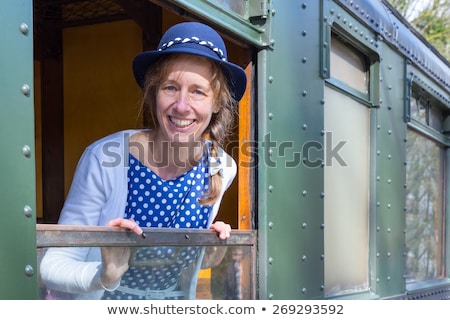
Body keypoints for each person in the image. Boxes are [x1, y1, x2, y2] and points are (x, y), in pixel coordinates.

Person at [39, 21, 247, 300]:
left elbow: (176, 268)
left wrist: (208, 255)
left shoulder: (222, 168)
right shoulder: (105, 159)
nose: (182, 106)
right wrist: (104, 274)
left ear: (218, 102)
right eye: (171, 88)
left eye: (198, 91)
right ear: (153, 93)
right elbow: (52, 265)